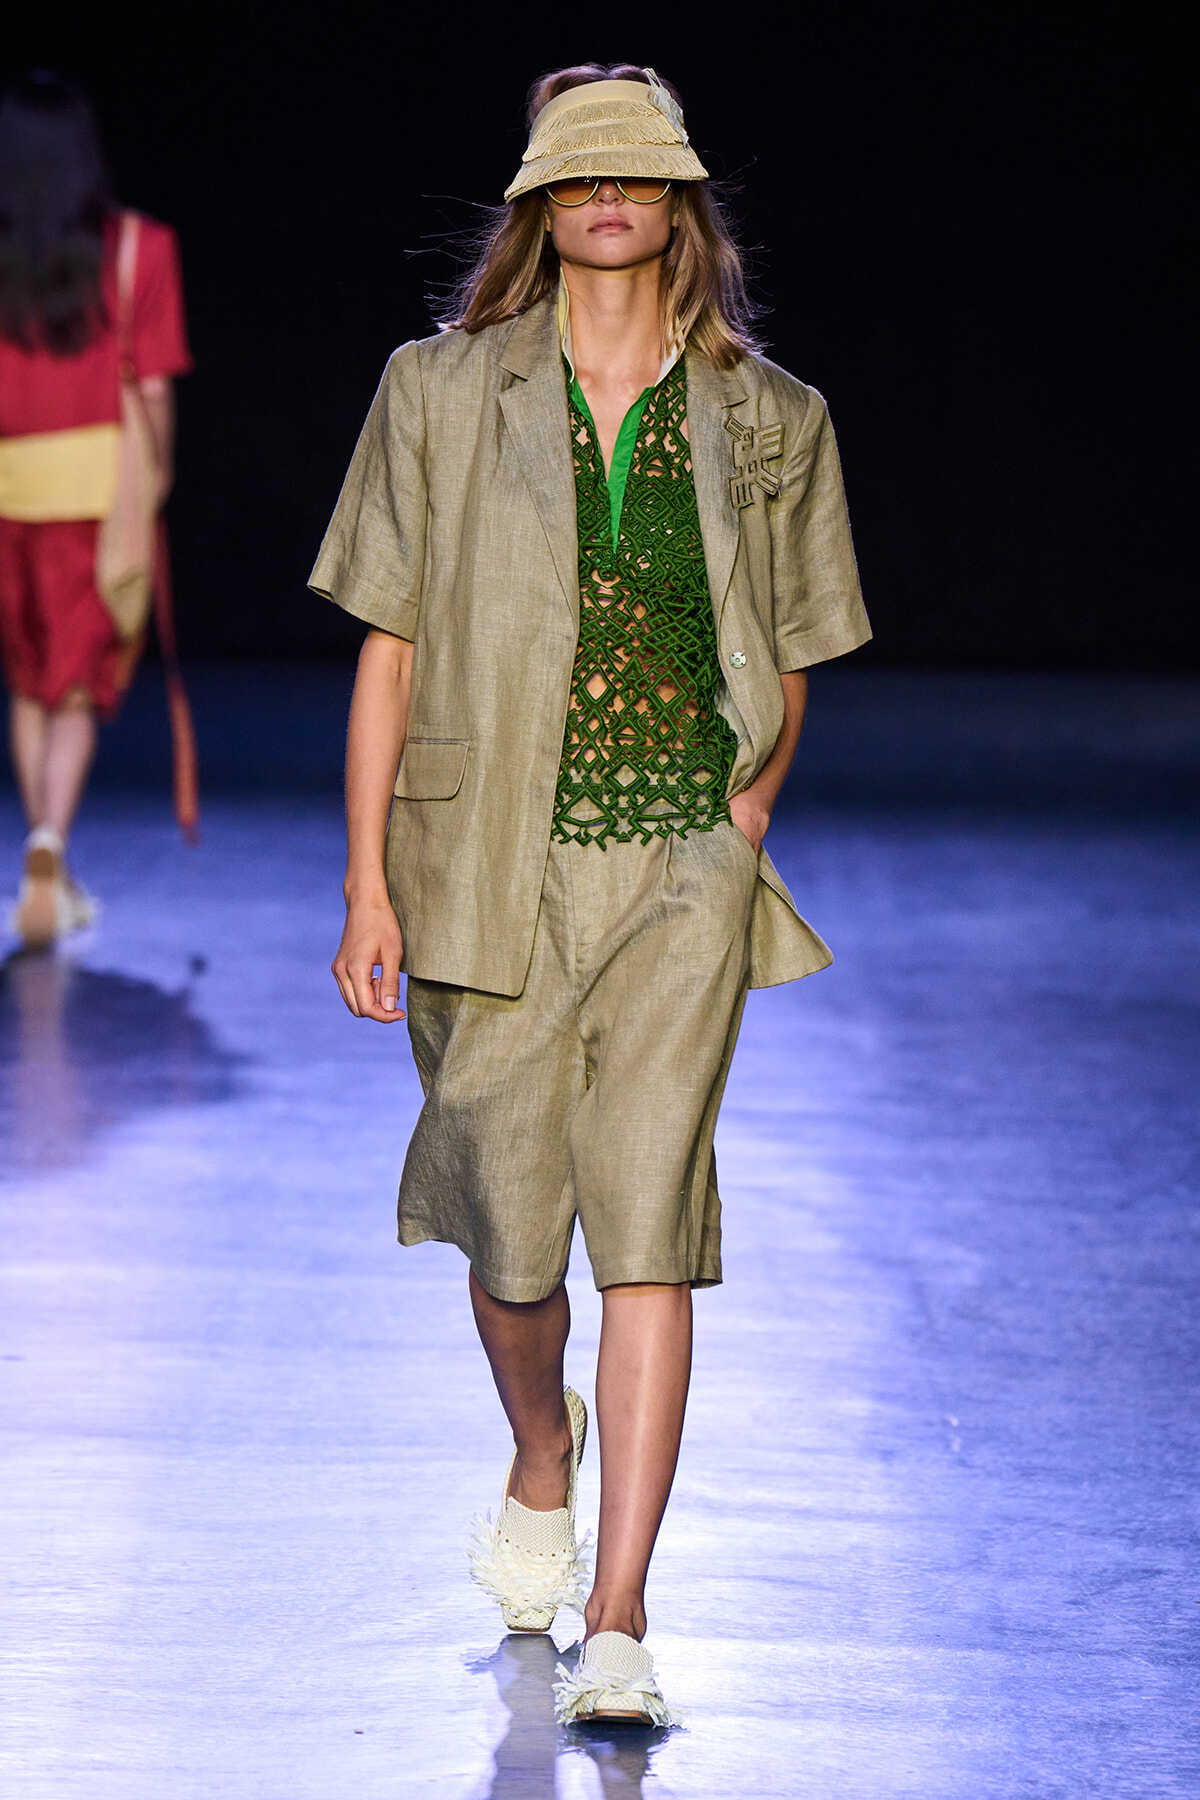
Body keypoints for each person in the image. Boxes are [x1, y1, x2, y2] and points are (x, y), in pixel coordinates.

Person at [313, 63, 870, 1725]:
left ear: (679, 198)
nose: (612, 196)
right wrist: (363, 884)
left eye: (641, 173)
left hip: (678, 869)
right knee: (507, 1228)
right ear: (545, 201)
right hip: (481, 858)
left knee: (649, 1229)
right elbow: (389, 646)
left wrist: (746, 819)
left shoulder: (773, 418)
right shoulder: (436, 390)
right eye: (581, 172)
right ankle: (539, 1446)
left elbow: (789, 643)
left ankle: (621, 1614)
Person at [0, 71, 191, 947]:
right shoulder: (137, 249)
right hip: (95, 492)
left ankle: (50, 865)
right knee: (74, 686)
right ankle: (48, 845)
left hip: (8, 490)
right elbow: (151, 389)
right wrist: (155, 480)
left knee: (29, 679)